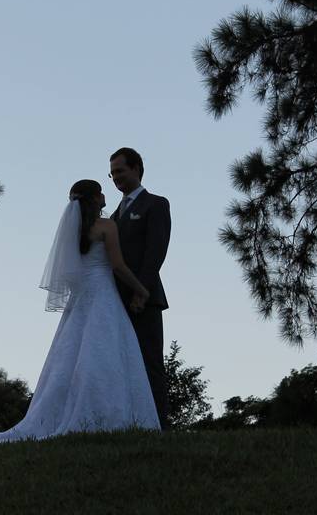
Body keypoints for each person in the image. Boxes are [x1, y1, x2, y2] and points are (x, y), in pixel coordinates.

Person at [0, 179, 160, 444]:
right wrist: (141, 289)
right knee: (105, 353)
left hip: (80, 299)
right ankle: (107, 415)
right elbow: (118, 266)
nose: (105, 197)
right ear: (95, 198)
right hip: (103, 293)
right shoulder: (106, 225)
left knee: (72, 357)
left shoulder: (74, 230)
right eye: (101, 193)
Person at [108, 147, 171, 427]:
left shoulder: (156, 204)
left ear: (136, 169)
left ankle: (159, 424)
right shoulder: (113, 216)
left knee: (150, 363)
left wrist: (140, 291)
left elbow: (155, 252)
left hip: (144, 297)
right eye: (112, 174)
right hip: (114, 300)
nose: (115, 178)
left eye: (120, 171)